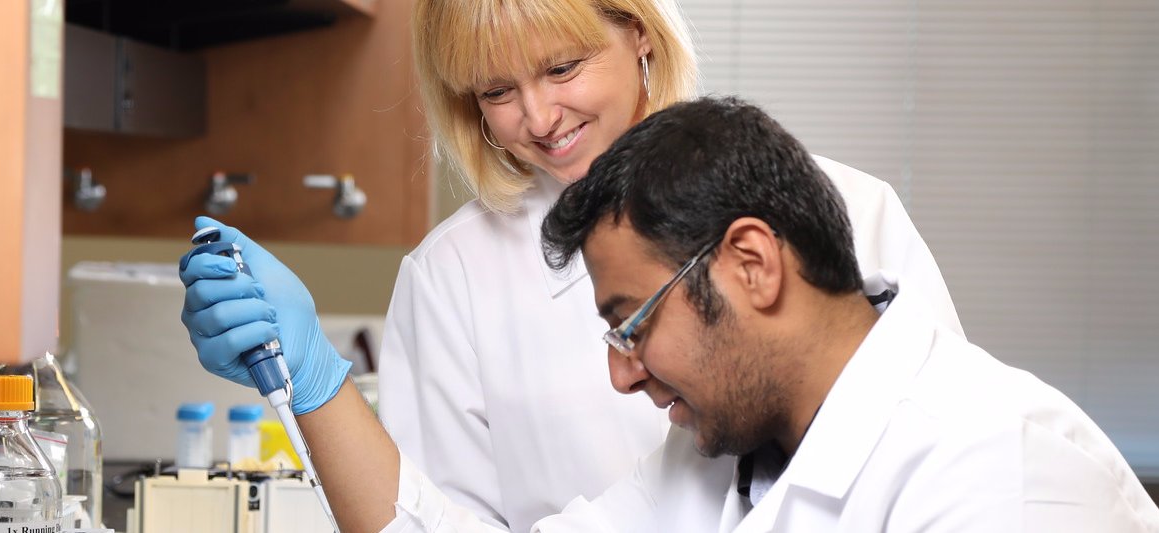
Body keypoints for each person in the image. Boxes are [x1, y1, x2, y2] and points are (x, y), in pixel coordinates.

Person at [180, 97, 1159, 532]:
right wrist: (314, 380)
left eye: (631, 320)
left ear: (750, 263)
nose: (621, 370)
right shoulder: (715, 468)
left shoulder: (999, 472)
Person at [374, 0, 962, 530]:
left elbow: (941, 445)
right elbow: (433, 519)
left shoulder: (851, 206)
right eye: (496, 91)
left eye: (562, 69)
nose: (539, 117)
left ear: (638, 32)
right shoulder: (450, 276)